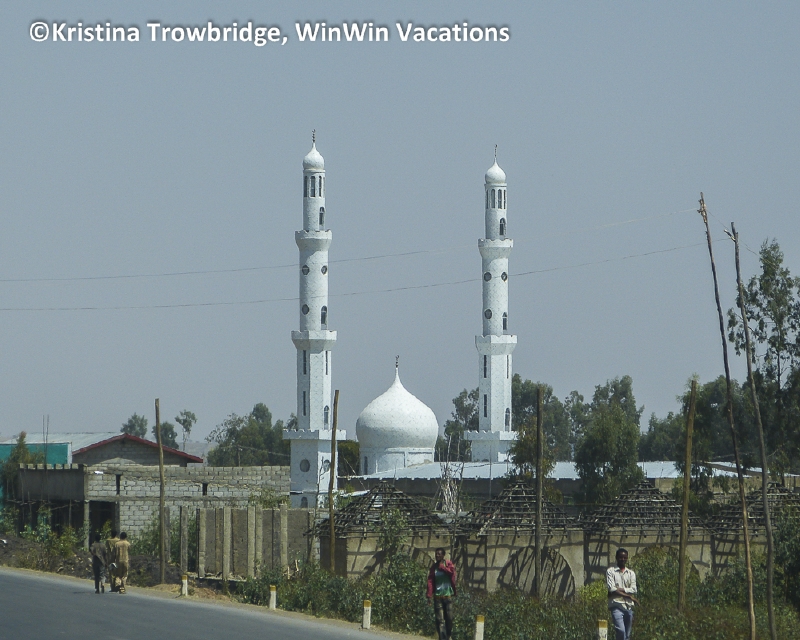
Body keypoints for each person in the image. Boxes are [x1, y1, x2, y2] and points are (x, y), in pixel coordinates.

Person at [606, 548, 639, 640]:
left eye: (625, 557)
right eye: (621, 557)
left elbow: (634, 589)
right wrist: (629, 596)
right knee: (621, 631)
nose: (623, 559)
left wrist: (619, 589)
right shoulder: (611, 571)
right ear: (616, 558)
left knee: (627, 634)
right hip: (616, 605)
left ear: (627, 558)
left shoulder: (631, 573)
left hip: (628, 606)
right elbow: (611, 588)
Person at [426, 547, 456, 640]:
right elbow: (430, 581)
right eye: (436, 554)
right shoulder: (434, 568)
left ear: (443, 555)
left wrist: (443, 568)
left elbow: (452, 572)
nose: (437, 555)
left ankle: (448, 634)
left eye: (439, 554)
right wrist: (429, 595)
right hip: (438, 597)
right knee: (440, 620)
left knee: (449, 618)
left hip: (448, 597)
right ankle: (443, 638)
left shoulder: (448, 564)